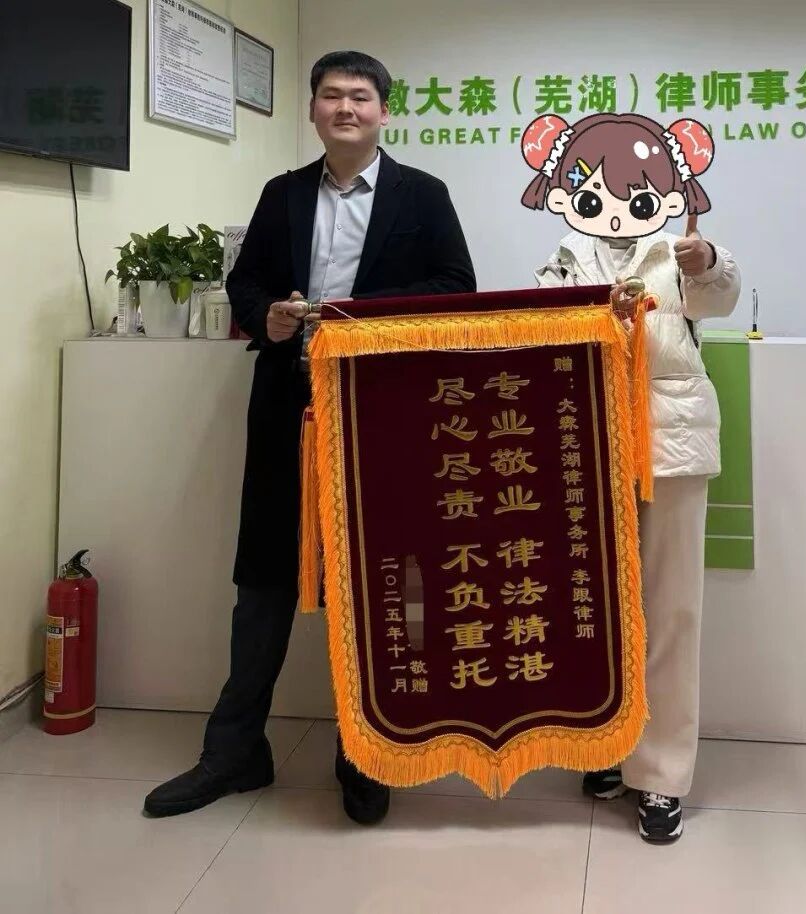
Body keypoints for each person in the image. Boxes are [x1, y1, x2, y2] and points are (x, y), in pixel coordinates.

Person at [144, 51, 476, 824]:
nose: (345, 108)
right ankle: (235, 752)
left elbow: (455, 287)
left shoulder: (423, 195)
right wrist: (268, 315)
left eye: (359, 96)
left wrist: (355, 315)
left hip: (378, 408)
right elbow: (246, 282)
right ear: (313, 110)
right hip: (285, 403)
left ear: (384, 111)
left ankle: (366, 749)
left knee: (372, 578)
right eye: (331, 95)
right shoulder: (283, 193)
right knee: (262, 577)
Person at [524, 112, 740, 843]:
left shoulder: (680, 250)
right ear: (570, 195)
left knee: (671, 610)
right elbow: (538, 334)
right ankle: (608, 747)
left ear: (665, 194)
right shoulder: (564, 255)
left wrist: (707, 260)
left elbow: (720, 296)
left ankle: (662, 776)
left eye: (637, 192)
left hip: (671, 443)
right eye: (594, 192)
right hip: (587, 447)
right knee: (598, 608)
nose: (617, 204)